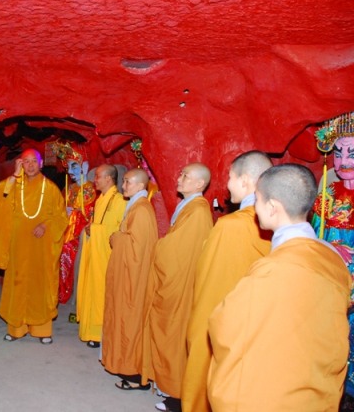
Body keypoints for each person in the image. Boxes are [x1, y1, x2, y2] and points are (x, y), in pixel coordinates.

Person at [208, 163, 350, 411]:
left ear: (272, 207)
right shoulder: (332, 258)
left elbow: (226, 324)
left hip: (277, 389)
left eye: (258, 200)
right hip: (317, 386)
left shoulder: (273, 269)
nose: (255, 207)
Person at [181, 151, 272, 412]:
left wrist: (198, 325)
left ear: (245, 180)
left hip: (227, 318)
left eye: (230, 177)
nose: (226, 184)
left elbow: (210, 284)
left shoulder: (231, 226)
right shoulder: (273, 222)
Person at [142, 162, 213, 412]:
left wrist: (159, 246)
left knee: (175, 336)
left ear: (200, 183)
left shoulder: (199, 211)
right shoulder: (189, 206)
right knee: (170, 334)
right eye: (181, 173)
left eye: (186, 175)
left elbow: (178, 249)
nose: (179, 178)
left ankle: (177, 395)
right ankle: (169, 387)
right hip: (178, 278)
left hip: (183, 283)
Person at [0, 148, 67, 344]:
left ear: (41, 164)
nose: (30, 165)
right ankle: (16, 329)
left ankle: (42, 330)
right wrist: (14, 176)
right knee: (16, 284)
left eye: (34, 161)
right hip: (17, 245)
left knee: (40, 285)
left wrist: (45, 225)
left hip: (41, 247)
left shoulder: (50, 188)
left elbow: (61, 217)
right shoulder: (14, 184)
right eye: (25, 161)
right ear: (20, 164)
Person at [310, 112, 354, 409]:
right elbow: (314, 235)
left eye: (351, 153)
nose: (343, 161)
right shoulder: (327, 193)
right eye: (337, 153)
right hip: (331, 276)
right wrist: (327, 247)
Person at [101, 168, 157, 390]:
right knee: (123, 320)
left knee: (130, 323)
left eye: (127, 182)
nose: (123, 186)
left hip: (134, 278)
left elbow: (137, 248)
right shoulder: (136, 206)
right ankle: (125, 365)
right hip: (128, 274)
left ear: (141, 186)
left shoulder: (141, 210)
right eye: (123, 181)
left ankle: (134, 375)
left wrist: (116, 238)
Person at [76, 164, 126, 348]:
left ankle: (102, 333)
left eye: (97, 176)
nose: (94, 180)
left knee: (102, 294)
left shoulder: (119, 201)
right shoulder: (100, 200)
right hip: (96, 254)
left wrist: (95, 230)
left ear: (108, 178)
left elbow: (120, 230)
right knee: (93, 291)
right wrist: (92, 230)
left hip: (106, 256)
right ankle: (91, 331)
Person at [52, 141, 96, 305]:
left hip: (79, 236)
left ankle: (65, 291)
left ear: (85, 166)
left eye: (74, 166)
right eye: (68, 167)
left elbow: (91, 216)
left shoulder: (90, 189)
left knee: (66, 251)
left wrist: (76, 213)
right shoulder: (69, 189)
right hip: (64, 231)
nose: (70, 171)